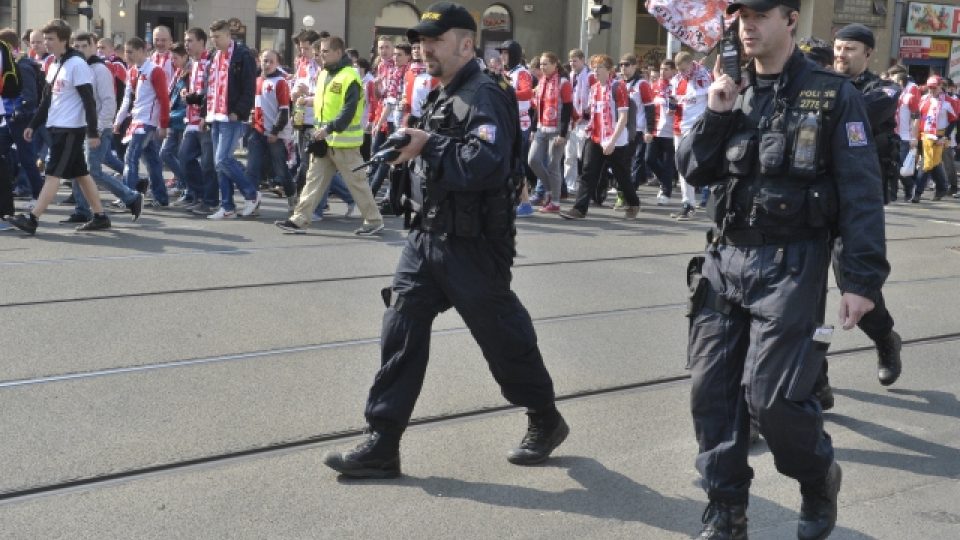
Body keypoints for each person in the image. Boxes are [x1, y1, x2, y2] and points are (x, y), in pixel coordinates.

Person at [322, 2, 567, 479]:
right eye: (420, 40)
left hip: (473, 243)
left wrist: (428, 145)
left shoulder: (487, 94)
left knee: (502, 338)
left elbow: (485, 164)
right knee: (401, 330)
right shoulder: (441, 93)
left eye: (433, 39)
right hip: (427, 235)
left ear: (466, 43)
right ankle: (383, 442)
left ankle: (545, 417)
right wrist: (407, 151)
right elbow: (438, 152)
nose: (423, 47)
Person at [675, 1, 890, 538]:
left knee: (772, 398)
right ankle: (727, 511)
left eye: (761, 14)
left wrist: (860, 281)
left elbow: (861, 193)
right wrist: (718, 114)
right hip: (726, 259)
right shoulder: (731, 88)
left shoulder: (833, 94)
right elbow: (693, 168)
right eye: (742, 15)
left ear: (790, 20)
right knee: (712, 395)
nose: (748, 25)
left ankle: (817, 478)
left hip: (792, 263)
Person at [828, 23, 903, 389]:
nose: (841, 54)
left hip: (856, 204)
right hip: (815, 200)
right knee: (798, 294)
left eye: (851, 49)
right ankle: (814, 378)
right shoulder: (824, 86)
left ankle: (885, 339)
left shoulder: (885, 89)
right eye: (838, 48)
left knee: (855, 283)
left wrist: (826, 96)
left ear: (868, 54)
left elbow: (862, 111)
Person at [273, 35, 383, 235]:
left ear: (338, 53)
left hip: (343, 142)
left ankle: (374, 220)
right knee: (313, 181)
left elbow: (348, 111)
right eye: (320, 52)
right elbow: (326, 102)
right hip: (324, 140)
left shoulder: (350, 76)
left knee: (357, 183)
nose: (320, 55)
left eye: (324, 52)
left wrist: (328, 128)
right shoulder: (325, 74)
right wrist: (309, 101)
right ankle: (299, 219)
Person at [8, 20, 111, 234]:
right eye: (45, 39)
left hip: (70, 130)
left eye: (51, 39)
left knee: (53, 174)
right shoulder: (55, 64)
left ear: (64, 40)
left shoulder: (77, 64)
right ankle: (100, 216)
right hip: (56, 127)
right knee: (82, 174)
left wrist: (92, 131)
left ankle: (33, 219)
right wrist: (33, 124)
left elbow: (89, 101)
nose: (46, 43)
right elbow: (47, 100)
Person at [66, 31, 144, 223]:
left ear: (94, 46)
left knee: (92, 172)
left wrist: (99, 128)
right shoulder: (78, 67)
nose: (81, 50)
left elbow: (108, 102)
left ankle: (131, 197)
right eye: (77, 46)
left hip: (98, 129)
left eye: (85, 46)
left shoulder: (99, 69)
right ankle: (82, 209)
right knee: (78, 169)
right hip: (80, 127)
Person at [559, 54, 640, 220]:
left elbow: (623, 118)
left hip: (615, 140)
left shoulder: (619, 87)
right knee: (588, 172)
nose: (595, 71)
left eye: (599, 67)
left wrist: (611, 141)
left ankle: (633, 203)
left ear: (609, 71)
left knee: (621, 175)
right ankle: (579, 209)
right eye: (594, 67)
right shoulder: (594, 88)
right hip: (596, 137)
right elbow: (593, 113)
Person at [205, 19, 261, 220]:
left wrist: (239, 111)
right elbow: (210, 84)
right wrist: (206, 109)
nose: (214, 41)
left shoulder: (242, 55)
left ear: (229, 35)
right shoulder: (214, 55)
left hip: (231, 115)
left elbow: (248, 87)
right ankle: (227, 206)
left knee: (222, 159)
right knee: (219, 162)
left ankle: (252, 194)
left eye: (218, 37)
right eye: (212, 38)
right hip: (215, 113)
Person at [114, 36, 170, 208]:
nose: (127, 55)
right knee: (152, 161)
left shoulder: (155, 71)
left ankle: (128, 197)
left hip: (147, 121)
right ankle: (161, 198)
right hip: (137, 119)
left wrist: (163, 124)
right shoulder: (132, 71)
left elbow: (163, 99)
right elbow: (126, 99)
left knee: (131, 157)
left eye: (130, 52)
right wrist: (118, 120)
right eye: (125, 52)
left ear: (141, 51)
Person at [246, 50, 296, 211]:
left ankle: (292, 196)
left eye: (270, 62)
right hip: (258, 131)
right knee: (252, 167)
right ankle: (252, 200)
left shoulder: (280, 82)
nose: (266, 64)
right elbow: (257, 106)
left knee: (280, 169)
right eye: (264, 61)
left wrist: (275, 131)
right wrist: (252, 116)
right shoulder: (257, 81)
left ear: (277, 64)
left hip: (275, 133)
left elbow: (284, 110)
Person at [180, 27, 219, 216]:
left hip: (204, 120)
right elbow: (197, 91)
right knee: (185, 157)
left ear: (202, 42)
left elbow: (209, 93)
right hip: (192, 119)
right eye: (186, 41)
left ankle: (211, 201)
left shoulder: (209, 62)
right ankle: (199, 195)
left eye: (190, 40)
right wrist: (187, 95)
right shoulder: (192, 64)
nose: (186, 44)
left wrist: (195, 101)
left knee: (208, 164)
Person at [527, 51, 572, 213]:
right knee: (533, 160)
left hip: (557, 129)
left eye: (546, 64)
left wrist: (562, 133)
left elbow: (567, 108)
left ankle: (555, 201)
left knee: (554, 165)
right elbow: (538, 108)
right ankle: (549, 189)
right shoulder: (541, 82)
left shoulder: (563, 82)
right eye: (541, 64)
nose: (543, 67)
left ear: (555, 64)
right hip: (541, 126)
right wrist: (533, 129)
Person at [914, 75, 955, 202]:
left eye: (934, 87)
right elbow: (917, 117)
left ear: (940, 86)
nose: (931, 89)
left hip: (940, 135)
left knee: (929, 163)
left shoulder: (949, 101)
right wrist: (914, 136)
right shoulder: (924, 99)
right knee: (930, 162)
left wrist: (946, 136)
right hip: (925, 135)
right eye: (929, 87)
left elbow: (954, 120)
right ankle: (941, 188)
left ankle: (918, 193)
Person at [646, 59, 677, 206]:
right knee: (649, 159)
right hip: (655, 129)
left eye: (666, 69)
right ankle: (666, 180)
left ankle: (666, 191)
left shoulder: (676, 85)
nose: (663, 72)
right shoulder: (654, 86)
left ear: (673, 71)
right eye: (662, 69)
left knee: (667, 163)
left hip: (670, 131)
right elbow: (649, 107)